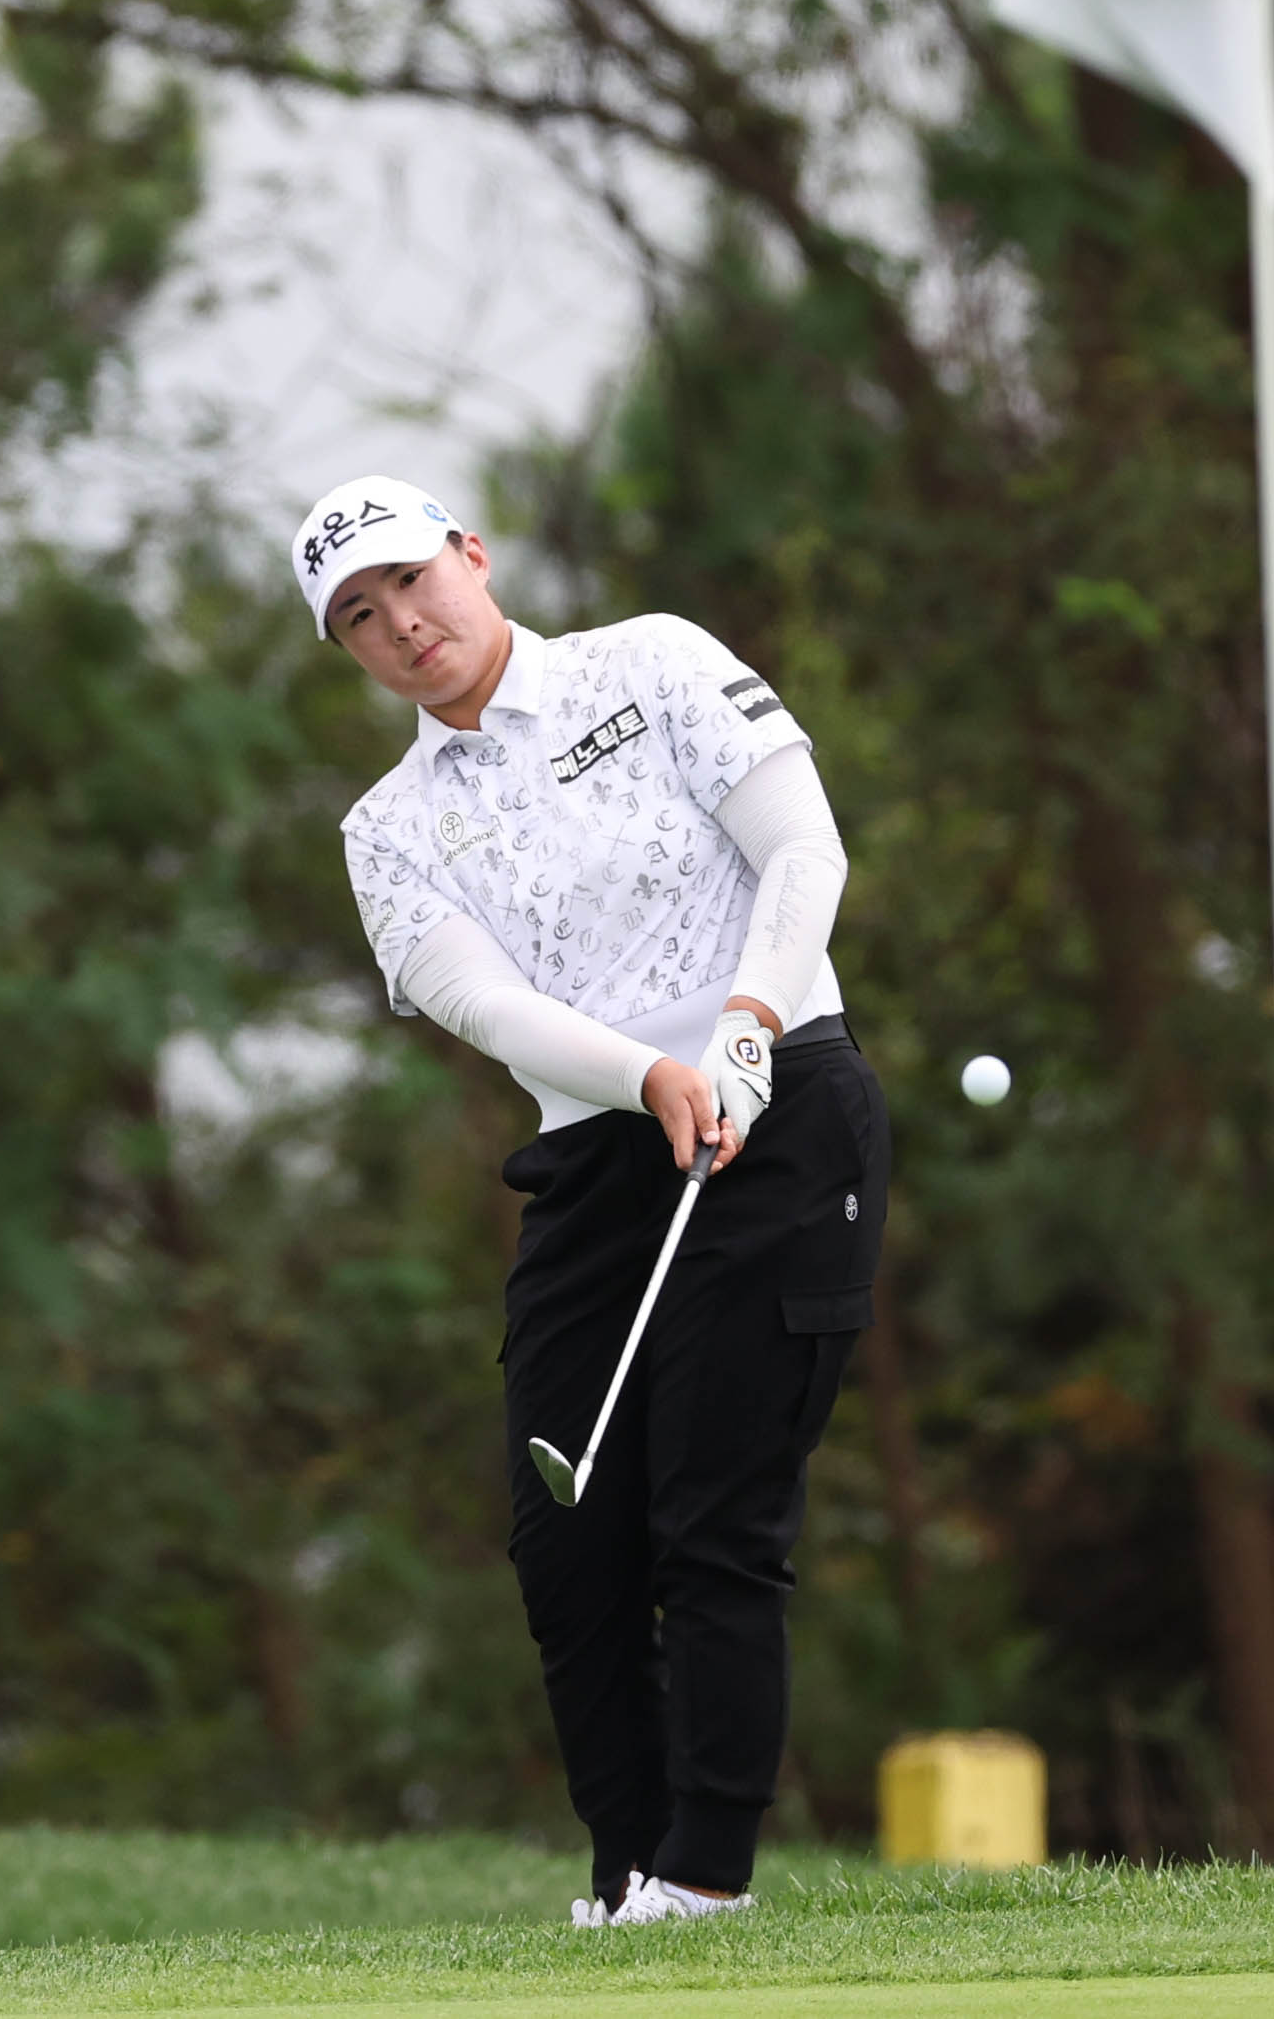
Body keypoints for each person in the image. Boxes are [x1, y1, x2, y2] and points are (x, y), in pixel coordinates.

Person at [292, 474, 889, 1928]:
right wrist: (649, 1075)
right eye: (359, 616)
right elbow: (486, 1005)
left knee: (712, 1514)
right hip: (600, 1152)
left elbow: (803, 847)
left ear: (472, 554)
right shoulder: (387, 828)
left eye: (410, 579)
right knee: (567, 1547)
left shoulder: (653, 662)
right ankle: (628, 1880)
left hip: (781, 1112)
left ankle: (705, 1876)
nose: (401, 623)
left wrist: (744, 1021)